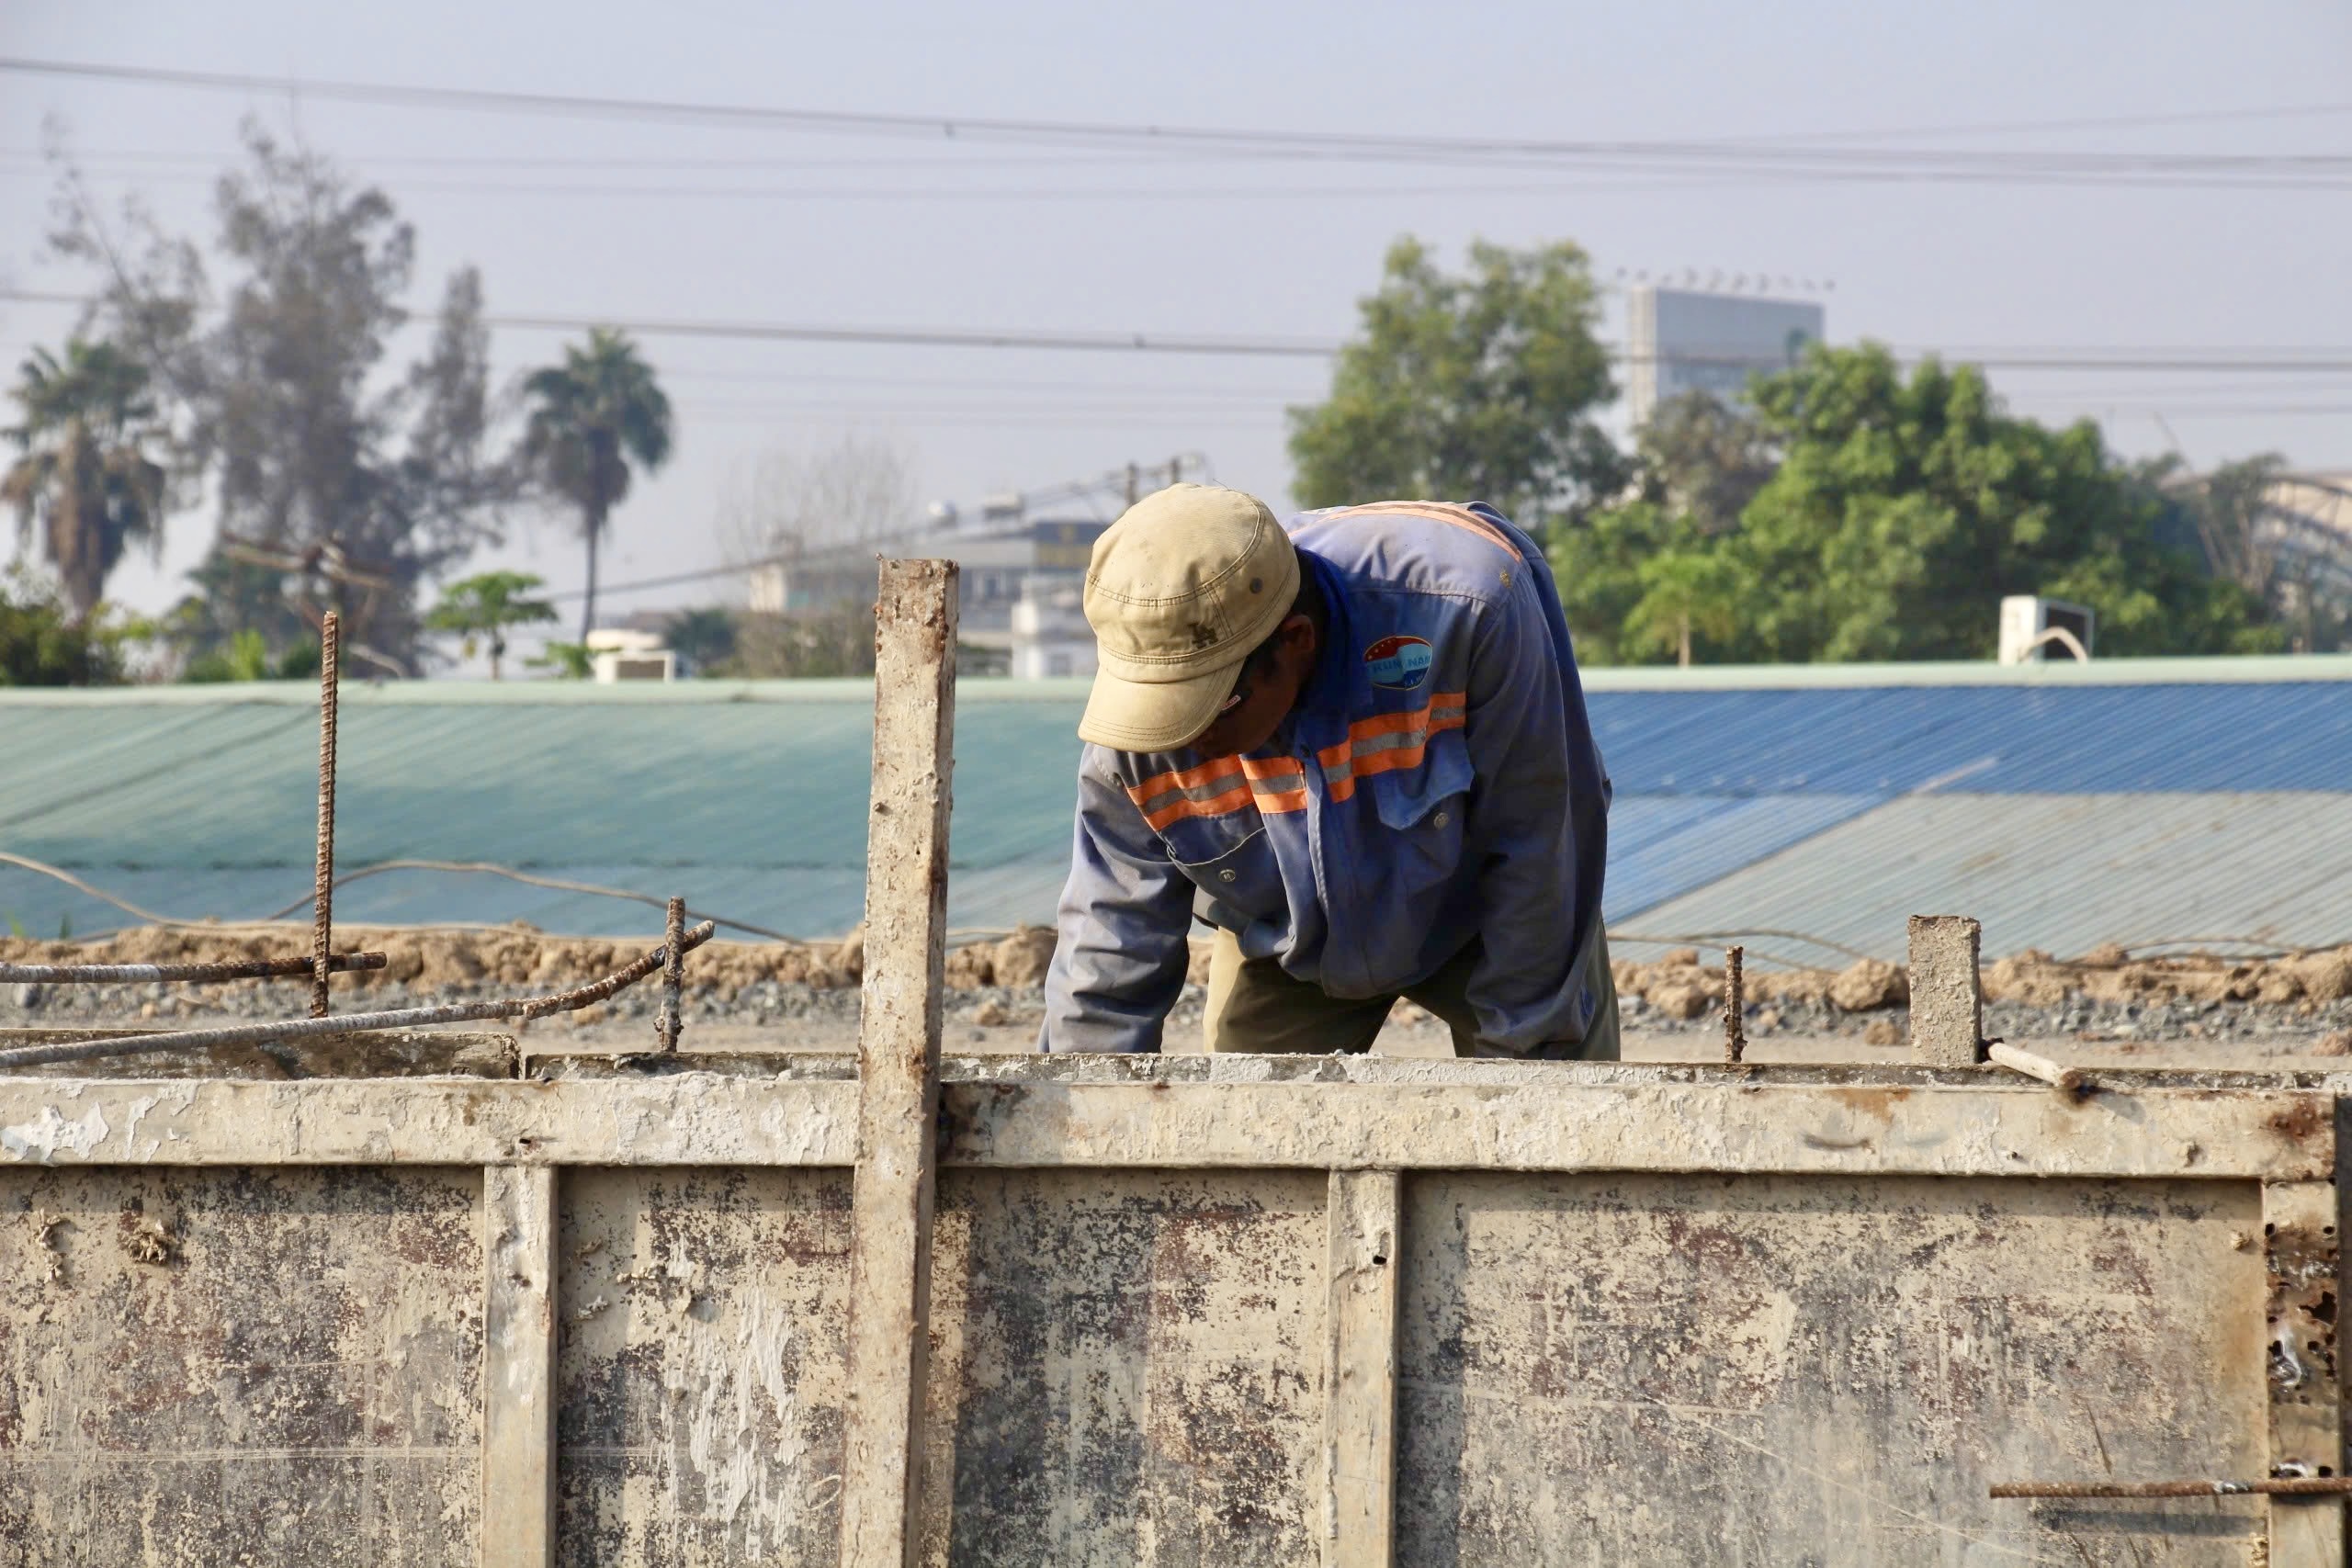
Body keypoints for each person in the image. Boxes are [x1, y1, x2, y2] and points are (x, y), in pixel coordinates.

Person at [1038, 482, 1616, 1058]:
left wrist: (1524, 1072)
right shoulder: (1136, 728)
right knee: (1240, 1137)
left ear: (1295, 643)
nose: (1181, 738)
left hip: (1489, 918)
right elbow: (1108, 949)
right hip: (1288, 941)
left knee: (1554, 1114)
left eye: (1206, 708)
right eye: (1163, 709)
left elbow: (1538, 841)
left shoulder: (1469, 608)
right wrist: (1081, 1116)